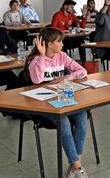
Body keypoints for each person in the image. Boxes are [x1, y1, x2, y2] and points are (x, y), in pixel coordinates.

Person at [24, 28, 88, 177]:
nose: (62, 45)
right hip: (41, 104)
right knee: (63, 121)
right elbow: (37, 80)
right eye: (59, 41)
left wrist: (66, 78)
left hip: (61, 99)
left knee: (82, 115)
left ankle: (75, 165)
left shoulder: (62, 56)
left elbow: (82, 71)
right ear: (49, 44)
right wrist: (41, 55)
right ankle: (78, 167)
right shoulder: (34, 61)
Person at [51, 0, 87, 64]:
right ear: (65, 6)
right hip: (61, 40)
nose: (72, 8)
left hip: (70, 39)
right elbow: (52, 28)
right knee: (62, 45)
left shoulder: (72, 15)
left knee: (81, 41)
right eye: (71, 6)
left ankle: (84, 63)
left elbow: (82, 26)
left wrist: (84, 16)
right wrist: (62, 30)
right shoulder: (57, 15)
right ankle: (67, 64)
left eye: (73, 7)